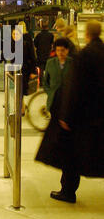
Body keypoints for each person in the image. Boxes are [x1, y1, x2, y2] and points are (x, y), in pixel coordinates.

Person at [51, 20, 104, 203]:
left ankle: (68, 191)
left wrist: (65, 115)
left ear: (87, 35)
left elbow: (73, 88)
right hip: (100, 114)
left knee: (71, 155)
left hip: (82, 115)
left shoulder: (84, 55)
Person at [35, 38, 73, 185]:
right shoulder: (51, 63)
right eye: (58, 50)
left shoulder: (72, 63)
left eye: (63, 50)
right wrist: (50, 92)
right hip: (54, 101)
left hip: (68, 102)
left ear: (67, 50)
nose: (60, 53)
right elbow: (45, 81)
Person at [10, 23, 37, 115]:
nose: (14, 36)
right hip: (15, 70)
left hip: (25, 71)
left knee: (19, 91)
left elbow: (33, 57)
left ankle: (20, 110)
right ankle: (22, 107)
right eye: (13, 34)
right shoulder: (12, 45)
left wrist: (33, 71)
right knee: (19, 90)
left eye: (16, 34)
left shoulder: (26, 44)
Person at [34, 21, 54, 86]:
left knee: (41, 69)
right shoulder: (51, 35)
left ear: (41, 27)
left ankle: (41, 83)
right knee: (48, 69)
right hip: (48, 54)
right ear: (48, 27)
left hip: (40, 54)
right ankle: (48, 82)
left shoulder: (38, 35)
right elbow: (52, 44)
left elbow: (35, 44)